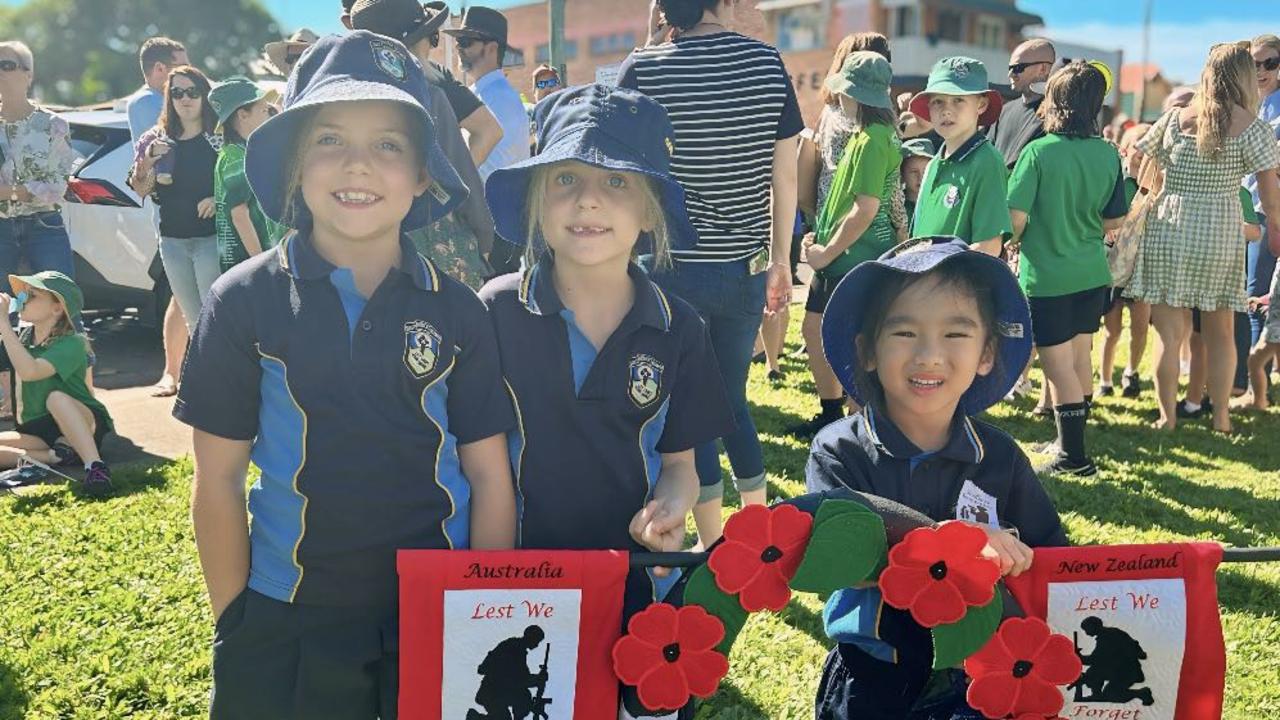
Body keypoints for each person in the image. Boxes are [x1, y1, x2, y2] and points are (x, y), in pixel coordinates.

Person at [175, 33, 516, 718]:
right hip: (287, 612)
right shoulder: (242, 300)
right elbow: (216, 478)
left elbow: (488, 474)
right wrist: (236, 619)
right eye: (329, 139)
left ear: (424, 173)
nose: (358, 164)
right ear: (295, 163)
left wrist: (484, 606)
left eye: (390, 145)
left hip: (437, 609)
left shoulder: (460, 312)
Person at [481, 83, 734, 616]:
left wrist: (671, 505)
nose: (588, 198)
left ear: (650, 211)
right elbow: (476, 464)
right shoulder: (495, 312)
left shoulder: (679, 328)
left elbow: (680, 464)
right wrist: (491, 583)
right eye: (565, 178)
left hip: (632, 584)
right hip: (514, 583)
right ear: (535, 200)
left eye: (617, 180)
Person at [807, 236, 1066, 718]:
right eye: (905, 333)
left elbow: (1051, 554)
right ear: (867, 350)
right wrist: (962, 546)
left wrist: (1010, 548)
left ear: (986, 353)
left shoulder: (1001, 458)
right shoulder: (838, 450)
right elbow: (841, 555)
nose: (929, 355)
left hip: (980, 671)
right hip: (872, 666)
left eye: (956, 334)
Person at [618, 0, 802, 545]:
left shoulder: (643, 68)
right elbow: (784, 178)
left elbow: (624, 170)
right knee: (731, 401)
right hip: (743, 267)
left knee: (683, 406)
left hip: (667, 270)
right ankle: (756, 527)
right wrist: (779, 261)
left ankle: (714, 540)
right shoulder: (768, 64)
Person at [1123, 43, 1280, 433]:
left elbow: (1137, 159)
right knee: (1221, 332)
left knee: (1169, 335)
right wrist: (1275, 225)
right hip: (1219, 228)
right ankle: (1222, 418)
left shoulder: (1176, 118)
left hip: (1169, 226)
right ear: (1244, 76)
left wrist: (1161, 189)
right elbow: (1269, 196)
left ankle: (1167, 418)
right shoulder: (1253, 127)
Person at [1008, 62, 1129, 477]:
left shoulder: (1038, 152)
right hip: (1092, 273)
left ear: (1053, 102)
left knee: (1058, 367)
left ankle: (1074, 459)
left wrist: (1010, 239)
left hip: (1047, 276)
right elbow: (1115, 221)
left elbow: (1016, 219)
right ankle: (1068, 441)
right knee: (1079, 358)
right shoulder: (1108, 153)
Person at [350, 0, 502, 287]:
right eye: (430, 39)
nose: (432, 48)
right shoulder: (429, 97)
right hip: (433, 241)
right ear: (414, 46)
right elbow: (460, 171)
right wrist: (483, 233)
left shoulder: (346, 104)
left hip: (365, 244)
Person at [792, 52, 900, 439]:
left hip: (856, 256)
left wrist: (826, 251)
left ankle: (857, 427)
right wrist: (818, 236)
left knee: (851, 343)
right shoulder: (862, 134)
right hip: (839, 254)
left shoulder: (873, 139)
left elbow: (865, 209)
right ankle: (833, 414)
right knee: (814, 330)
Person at [128, 66, 221, 343]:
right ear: (170, 98)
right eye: (177, 93)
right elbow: (141, 189)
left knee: (213, 316)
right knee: (194, 321)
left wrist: (218, 198)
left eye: (192, 91)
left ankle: (223, 382)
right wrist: (148, 161)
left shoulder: (218, 136)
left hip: (210, 239)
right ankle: (203, 383)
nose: (185, 99)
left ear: (204, 95)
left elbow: (240, 179)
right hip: (171, 242)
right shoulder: (155, 138)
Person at [0, 271, 112, 495]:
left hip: (81, 422)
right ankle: (55, 457)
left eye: (32, 295)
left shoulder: (72, 343)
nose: (22, 298)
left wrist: (3, 322)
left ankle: (95, 467)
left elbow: (31, 371)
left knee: (56, 398)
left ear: (57, 308)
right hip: (40, 431)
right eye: (23, 293)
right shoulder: (21, 339)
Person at [125, 36, 189, 398]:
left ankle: (175, 373)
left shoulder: (147, 101)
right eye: (182, 65)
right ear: (160, 69)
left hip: (188, 210)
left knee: (183, 294)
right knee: (183, 292)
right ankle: (174, 372)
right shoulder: (149, 103)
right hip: (176, 213)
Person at [908, 57, 1011, 256]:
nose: (946, 110)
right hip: (924, 283)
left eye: (958, 100)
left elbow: (988, 247)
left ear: (981, 105)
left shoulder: (987, 161)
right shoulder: (933, 164)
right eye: (938, 101)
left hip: (958, 285)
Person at [0, 41, 78, 290]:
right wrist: (28, 189)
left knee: (63, 309)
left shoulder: (54, 125)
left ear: (28, 75)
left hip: (44, 226)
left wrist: (9, 192)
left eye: (7, 65)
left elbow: (56, 189)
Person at [444, 5, 531, 181]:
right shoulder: (483, 93)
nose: (458, 48)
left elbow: (489, 173)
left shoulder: (499, 99)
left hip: (489, 205)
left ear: (491, 48)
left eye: (466, 41)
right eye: (458, 41)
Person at [1098, 122, 1153, 399]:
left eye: (1148, 150)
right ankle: (1105, 379)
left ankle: (1131, 372)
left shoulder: (1156, 184)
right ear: (1127, 149)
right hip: (1115, 264)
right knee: (1112, 328)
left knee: (1141, 326)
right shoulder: (1117, 182)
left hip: (1142, 265)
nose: (1142, 155)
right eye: (1138, 148)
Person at [208, 77, 284, 273]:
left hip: (268, 257)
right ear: (243, 115)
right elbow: (240, 215)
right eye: (263, 110)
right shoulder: (235, 158)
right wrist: (262, 264)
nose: (269, 114)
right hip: (251, 264)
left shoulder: (250, 151)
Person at [988, 38, 1055, 169]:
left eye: (1018, 68)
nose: (1010, 74)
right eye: (1010, 68)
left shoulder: (1056, 116)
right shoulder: (1004, 111)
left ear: (1043, 69)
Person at [467, 625, 548, 720]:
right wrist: (538, 679)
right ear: (531, 637)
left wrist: (537, 679)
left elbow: (520, 678)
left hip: (497, 692)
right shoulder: (515, 649)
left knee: (523, 697)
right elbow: (520, 679)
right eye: (536, 641)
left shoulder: (515, 647)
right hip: (492, 693)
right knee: (520, 699)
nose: (536, 645)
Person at [899, 137, 936, 228]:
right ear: (902, 175)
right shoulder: (895, 209)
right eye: (913, 172)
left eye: (926, 171)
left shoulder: (941, 203)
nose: (920, 177)